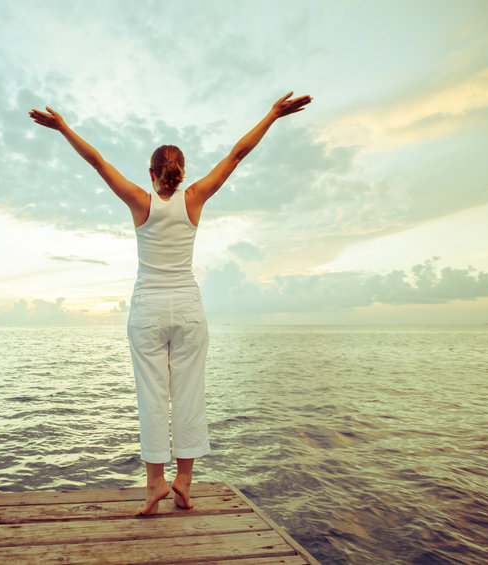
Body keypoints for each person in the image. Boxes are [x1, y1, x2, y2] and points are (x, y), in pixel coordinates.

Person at [29, 92, 312, 516]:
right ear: (180, 173)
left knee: (153, 396)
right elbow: (236, 156)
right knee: (188, 393)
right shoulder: (194, 198)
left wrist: (64, 127)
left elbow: (98, 163)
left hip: (147, 309)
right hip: (188, 308)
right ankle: (183, 481)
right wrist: (272, 114)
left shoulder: (140, 201)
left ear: (151, 172)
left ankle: (155, 484)